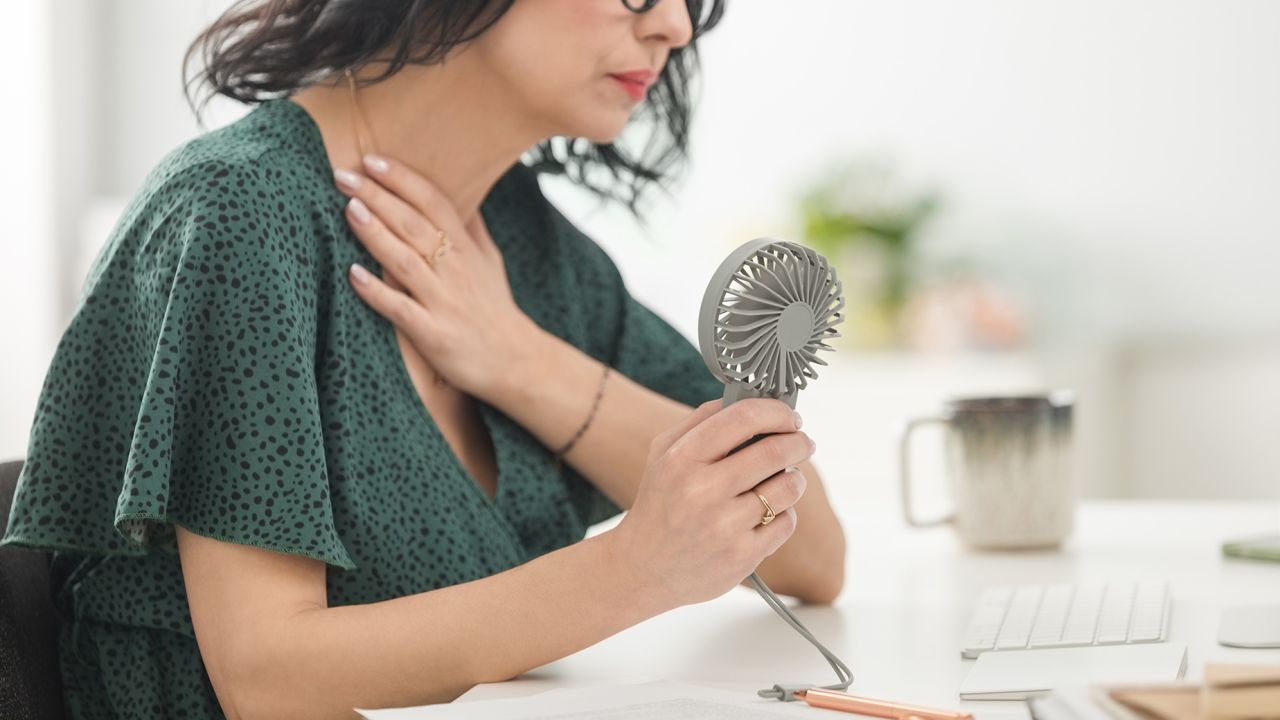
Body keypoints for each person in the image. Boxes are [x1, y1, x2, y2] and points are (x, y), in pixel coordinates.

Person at [0, 0, 847, 716]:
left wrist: (519, 358)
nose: (671, 26)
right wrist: (635, 570)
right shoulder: (238, 215)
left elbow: (812, 555)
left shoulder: (523, 246)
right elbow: (264, 677)